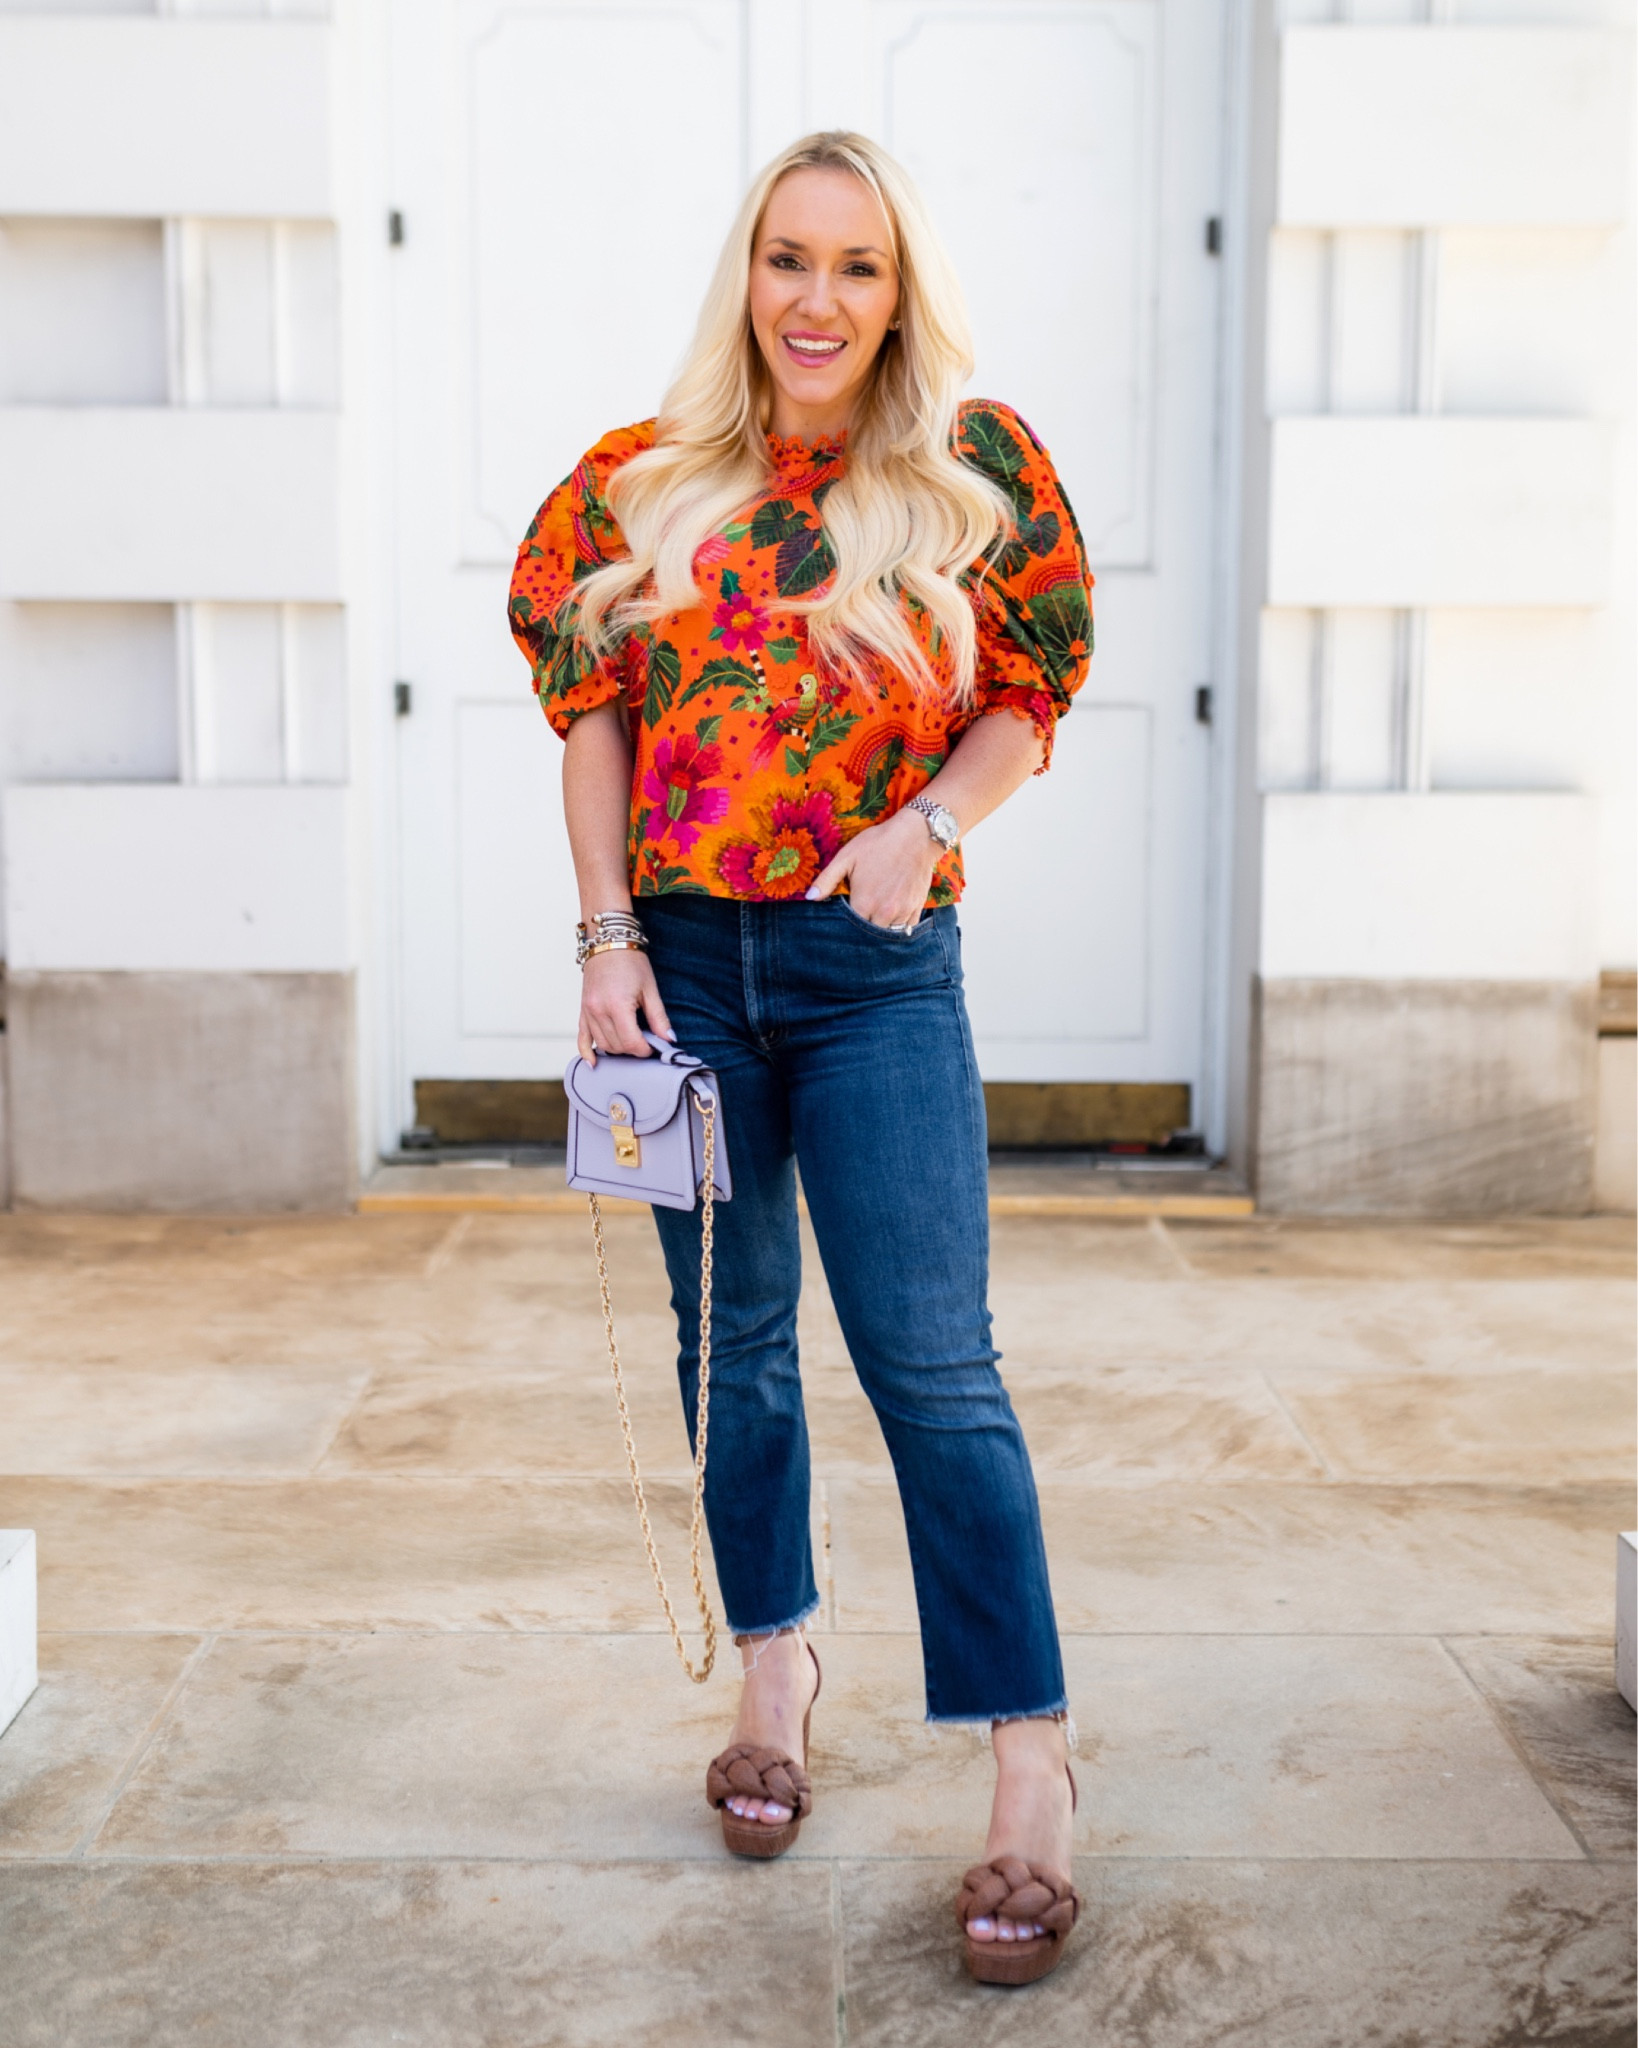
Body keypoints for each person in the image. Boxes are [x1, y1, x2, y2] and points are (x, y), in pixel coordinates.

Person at [509, 130, 1093, 1986]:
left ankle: (1029, 1764)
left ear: (898, 290)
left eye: (855, 265)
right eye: (787, 259)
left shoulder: (972, 476)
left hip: (872, 969)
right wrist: (605, 938)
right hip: (683, 964)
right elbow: (592, 719)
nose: (816, 300)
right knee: (731, 1345)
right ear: (744, 275)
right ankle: (778, 1667)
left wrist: (928, 824)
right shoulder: (637, 483)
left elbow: (1027, 696)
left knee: (932, 1365)